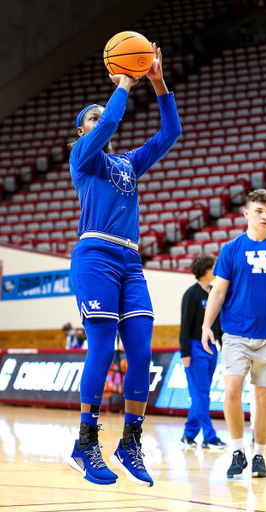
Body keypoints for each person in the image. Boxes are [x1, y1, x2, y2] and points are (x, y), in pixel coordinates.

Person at [68, 43, 182, 488]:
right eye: (91, 118)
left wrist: (157, 82)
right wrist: (122, 83)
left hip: (130, 260)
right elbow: (113, 119)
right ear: (82, 131)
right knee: (100, 347)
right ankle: (85, 443)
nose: (102, 120)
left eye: (102, 115)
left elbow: (170, 134)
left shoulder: (129, 163)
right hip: (94, 254)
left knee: (141, 352)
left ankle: (129, 442)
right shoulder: (84, 159)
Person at [201, 189, 266, 479]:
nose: (264, 216)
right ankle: (237, 451)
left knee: (264, 399)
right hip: (235, 335)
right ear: (246, 213)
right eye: (259, 211)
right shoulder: (232, 249)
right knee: (231, 391)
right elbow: (218, 290)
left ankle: (258, 455)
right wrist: (207, 325)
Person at [180, 254, 226, 450]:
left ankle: (188, 434)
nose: (216, 268)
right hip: (195, 348)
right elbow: (185, 324)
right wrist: (185, 352)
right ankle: (209, 437)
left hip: (212, 348)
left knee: (202, 394)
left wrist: (223, 342)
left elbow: (219, 322)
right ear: (207, 270)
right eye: (214, 265)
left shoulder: (214, 293)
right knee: (201, 395)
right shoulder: (191, 294)